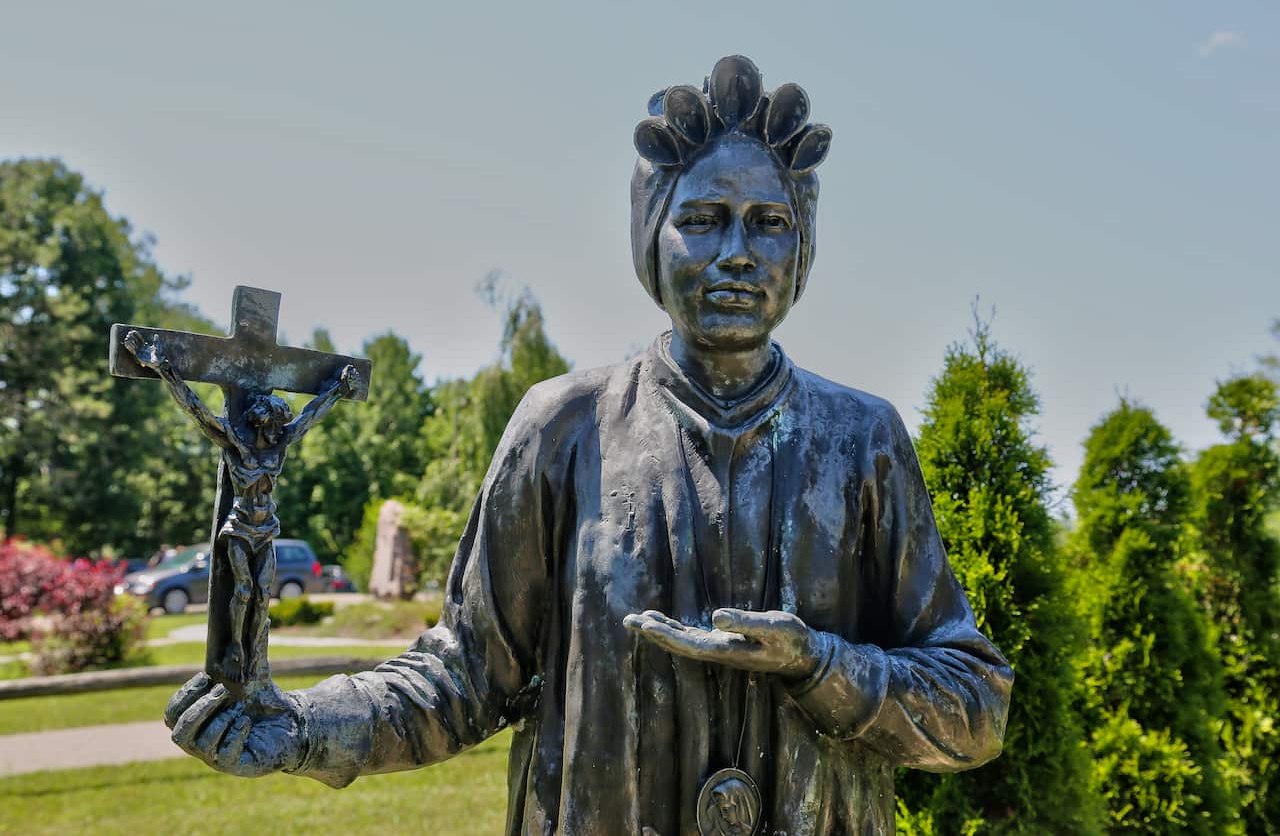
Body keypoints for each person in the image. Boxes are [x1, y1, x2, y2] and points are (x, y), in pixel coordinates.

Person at [164, 55, 1012, 835]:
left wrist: (821, 663)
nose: (738, 255)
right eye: (705, 219)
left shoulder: (861, 440)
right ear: (652, 235)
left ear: (804, 244)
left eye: (769, 223)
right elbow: (463, 676)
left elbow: (975, 707)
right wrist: (306, 726)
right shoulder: (562, 427)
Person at [125, 328, 360, 681]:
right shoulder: (238, 446)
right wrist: (163, 369)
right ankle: (235, 646)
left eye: (282, 425)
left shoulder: (279, 446)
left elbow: (310, 415)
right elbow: (196, 409)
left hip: (267, 529)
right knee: (245, 590)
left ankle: (255, 654)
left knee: (264, 593)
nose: (282, 429)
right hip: (240, 528)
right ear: (262, 421)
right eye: (276, 424)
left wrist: (337, 391)